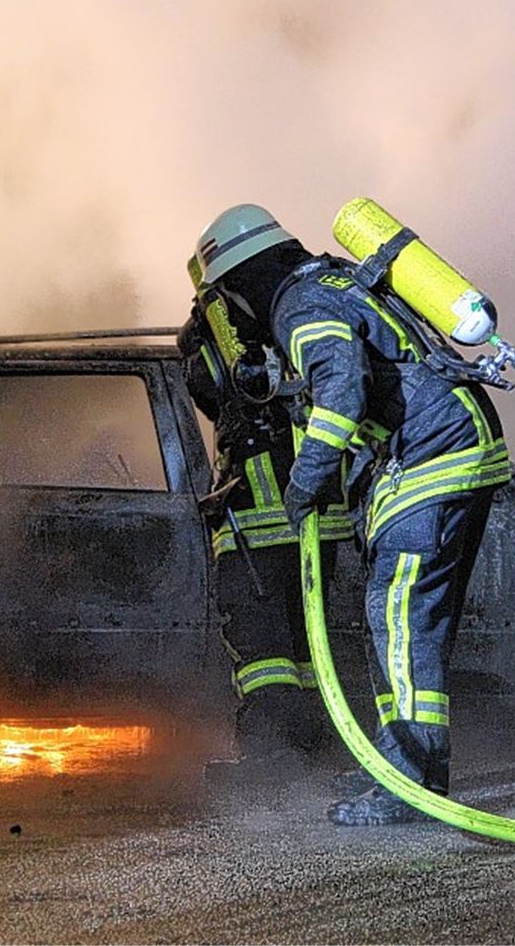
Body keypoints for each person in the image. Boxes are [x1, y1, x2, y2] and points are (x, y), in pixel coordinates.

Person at [192, 204, 510, 825]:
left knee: (398, 619)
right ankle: (403, 766)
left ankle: (407, 785)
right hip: (455, 443)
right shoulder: (332, 279)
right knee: (407, 623)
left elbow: (341, 387)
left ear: (240, 283)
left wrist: (305, 481)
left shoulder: (298, 306)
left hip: (432, 458)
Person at [178, 253, 353, 785]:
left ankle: (271, 755)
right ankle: (322, 746)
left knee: (261, 649)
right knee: (312, 641)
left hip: (256, 523)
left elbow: (209, 392)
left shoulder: (216, 330)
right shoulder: (301, 314)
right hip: (322, 520)